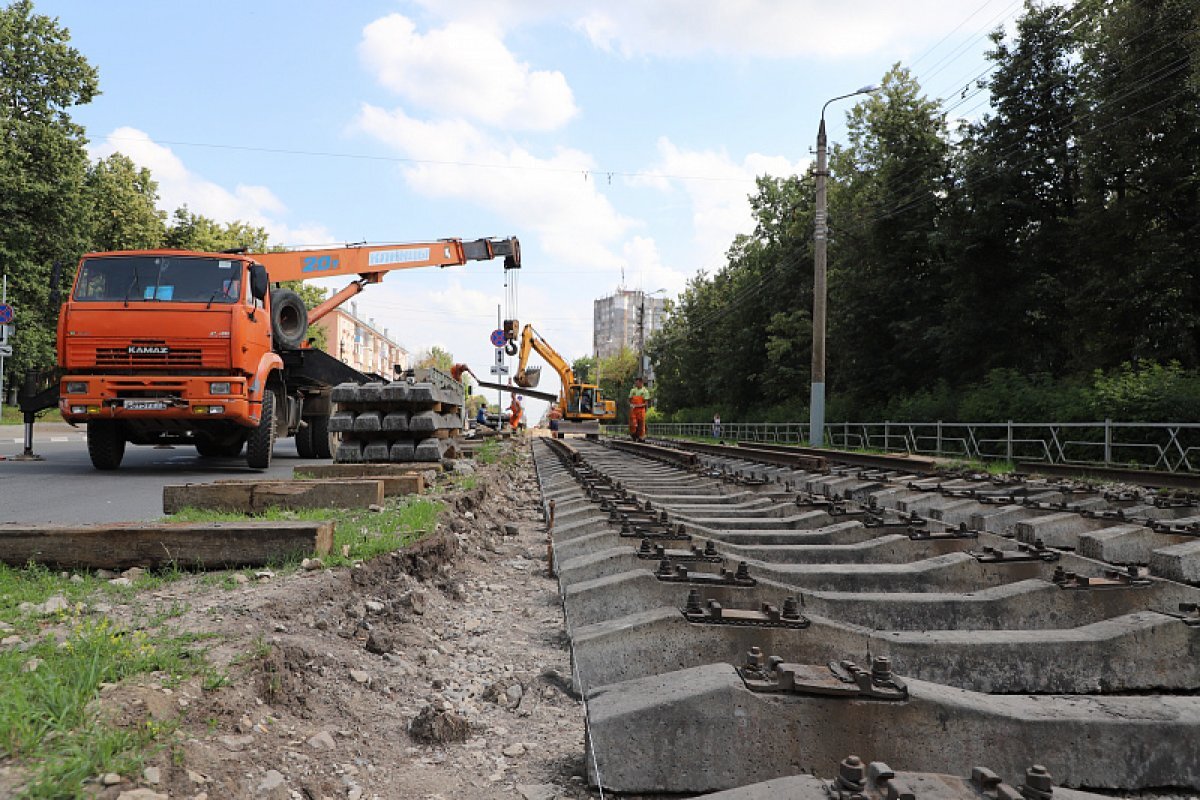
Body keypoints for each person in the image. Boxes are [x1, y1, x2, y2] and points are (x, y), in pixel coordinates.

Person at [628, 376, 649, 441]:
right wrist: (631, 404)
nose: (636, 384)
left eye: (637, 383)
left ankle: (641, 437)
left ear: (641, 382)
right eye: (635, 383)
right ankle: (633, 434)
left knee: (641, 424)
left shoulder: (645, 391)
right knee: (633, 424)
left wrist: (638, 406)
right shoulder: (633, 390)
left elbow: (645, 403)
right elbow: (629, 399)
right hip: (633, 410)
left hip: (641, 410)